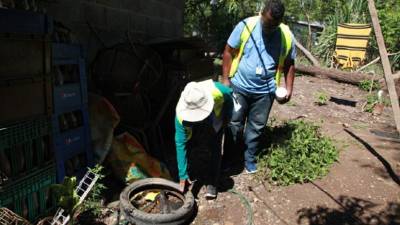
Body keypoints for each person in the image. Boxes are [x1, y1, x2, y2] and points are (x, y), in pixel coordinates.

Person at [221, 0, 296, 173]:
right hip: (239, 86)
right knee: (234, 124)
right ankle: (229, 159)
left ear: (280, 21)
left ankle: (249, 159)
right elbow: (228, 52)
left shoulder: (286, 35)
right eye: (267, 23)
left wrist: (289, 89)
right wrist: (225, 80)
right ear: (262, 14)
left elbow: (290, 63)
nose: (269, 28)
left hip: (266, 92)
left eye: (274, 25)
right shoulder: (245, 26)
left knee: (257, 126)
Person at [175, 79, 232, 199]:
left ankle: (212, 182)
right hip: (193, 121)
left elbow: (229, 97)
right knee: (192, 143)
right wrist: (182, 175)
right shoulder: (181, 115)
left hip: (214, 115)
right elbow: (180, 143)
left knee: (215, 146)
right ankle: (191, 174)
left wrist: (227, 117)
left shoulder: (218, 91)